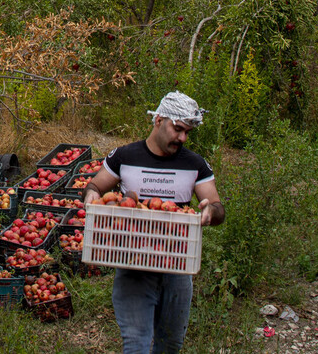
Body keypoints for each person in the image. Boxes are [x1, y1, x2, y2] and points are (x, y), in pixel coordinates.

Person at [83, 91, 225, 353]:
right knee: (136, 343)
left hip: (177, 264)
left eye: (187, 133)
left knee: (170, 344)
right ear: (159, 120)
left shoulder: (195, 164)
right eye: (178, 129)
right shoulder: (124, 156)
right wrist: (91, 193)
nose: (182, 138)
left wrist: (209, 212)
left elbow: (217, 207)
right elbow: (95, 185)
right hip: (133, 261)